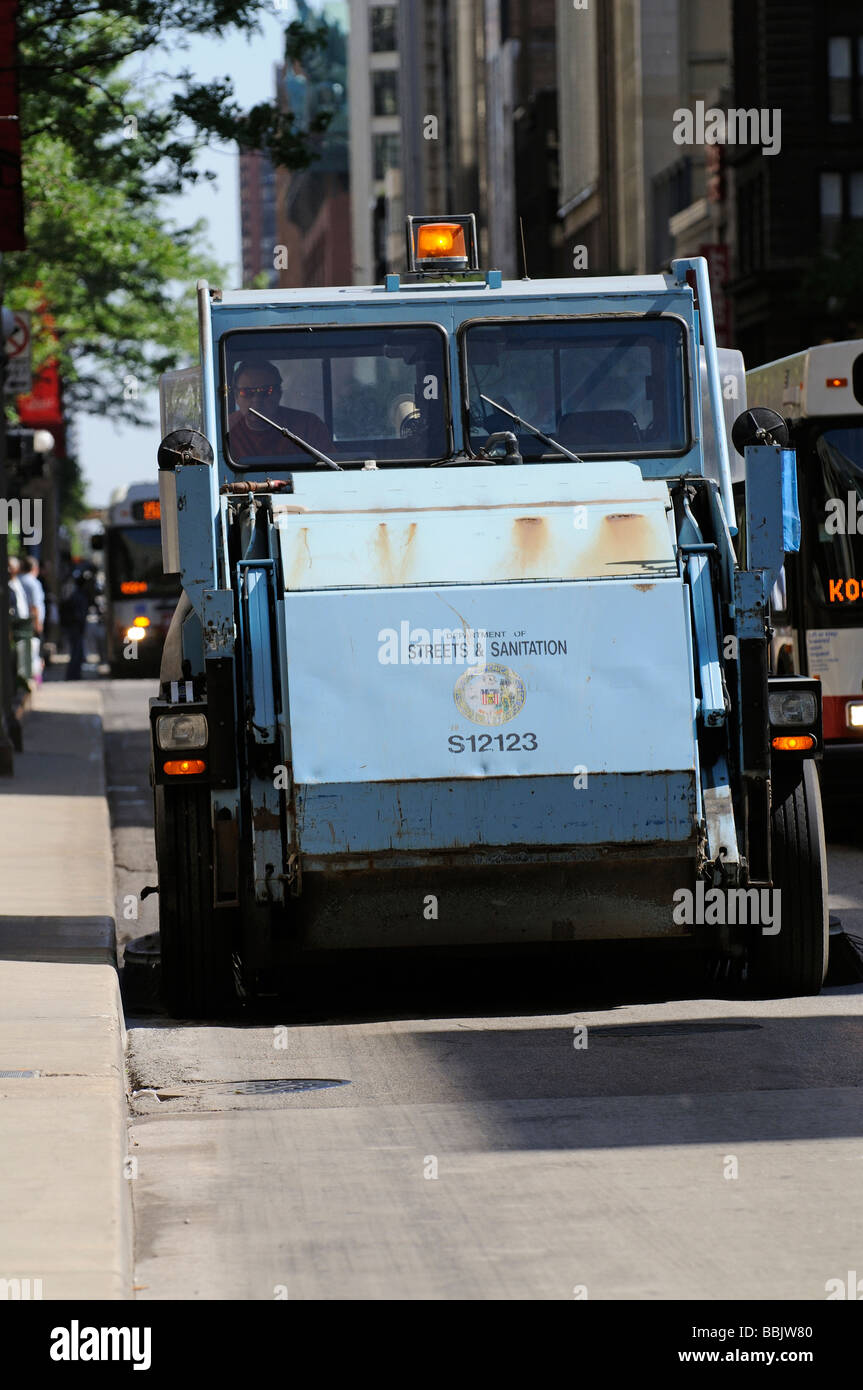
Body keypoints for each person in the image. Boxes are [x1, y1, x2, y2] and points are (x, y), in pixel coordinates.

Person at [227, 360, 332, 462]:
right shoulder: (225, 430)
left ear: (279, 394)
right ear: (236, 397)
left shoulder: (308, 426)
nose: (256, 399)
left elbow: (330, 469)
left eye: (266, 391)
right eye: (246, 392)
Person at [18, 556, 45, 684]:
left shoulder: (18, 580)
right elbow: (35, 605)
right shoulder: (33, 582)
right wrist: (38, 623)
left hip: (23, 622)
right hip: (31, 623)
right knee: (34, 653)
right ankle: (36, 680)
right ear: (34, 568)